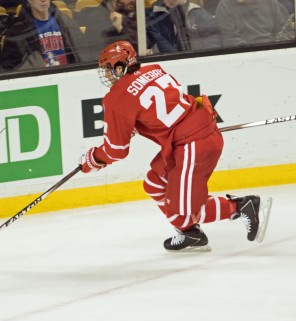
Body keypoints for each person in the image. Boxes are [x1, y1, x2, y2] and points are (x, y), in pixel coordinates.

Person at [79, 40, 272, 252]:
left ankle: (243, 206)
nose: (106, 76)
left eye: (108, 69)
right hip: (191, 136)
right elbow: (164, 105)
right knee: (154, 183)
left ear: (119, 67)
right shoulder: (154, 70)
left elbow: (116, 151)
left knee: (183, 212)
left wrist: (93, 159)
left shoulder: (116, 98)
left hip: (193, 145)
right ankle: (191, 234)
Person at [1, 0, 89, 71]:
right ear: (29, 1)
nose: (43, 0)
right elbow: (9, 69)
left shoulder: (66, 22)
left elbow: (83, 53)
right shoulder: (17, 33)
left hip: (68, 77)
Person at [146, 0, 221, 54]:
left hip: (198, 60)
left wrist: (206, 58)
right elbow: (151, 45)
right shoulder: (152, 16)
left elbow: (212, 40)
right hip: (166, 63)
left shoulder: (197, 12)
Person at [215, 0, 294, 47]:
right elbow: (230, 39)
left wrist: (274, 47)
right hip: (242, 56)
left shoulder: (272, 3)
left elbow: (286, 31)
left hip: (273, 51)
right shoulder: (224, 6)